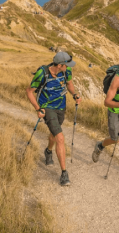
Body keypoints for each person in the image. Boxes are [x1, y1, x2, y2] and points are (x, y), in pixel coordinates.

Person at [26, 52, 81, 186]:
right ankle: (64, 174)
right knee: (60, 137)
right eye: (67, 65)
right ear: (60, 65)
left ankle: (48, 151)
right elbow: (29, 91)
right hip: (47, 108)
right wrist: (38, 109)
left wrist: (74, 94)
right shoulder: (42, 73)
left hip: (61, 107)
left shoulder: (66, 71)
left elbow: (69, 84)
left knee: (54, 135)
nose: (69, 67)